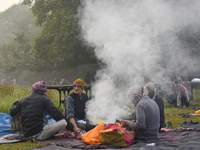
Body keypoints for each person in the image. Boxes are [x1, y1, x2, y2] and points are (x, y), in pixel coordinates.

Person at [10, 81, 79, 140]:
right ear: (43, 92)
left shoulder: (23, 100)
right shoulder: (44, 100)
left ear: (33, 90)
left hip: (26, 134)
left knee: (47, 121)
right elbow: (57, 115)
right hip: (38, 135)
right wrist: (73, 128)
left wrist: (16, 103)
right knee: (63, 122)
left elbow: (12, 113)